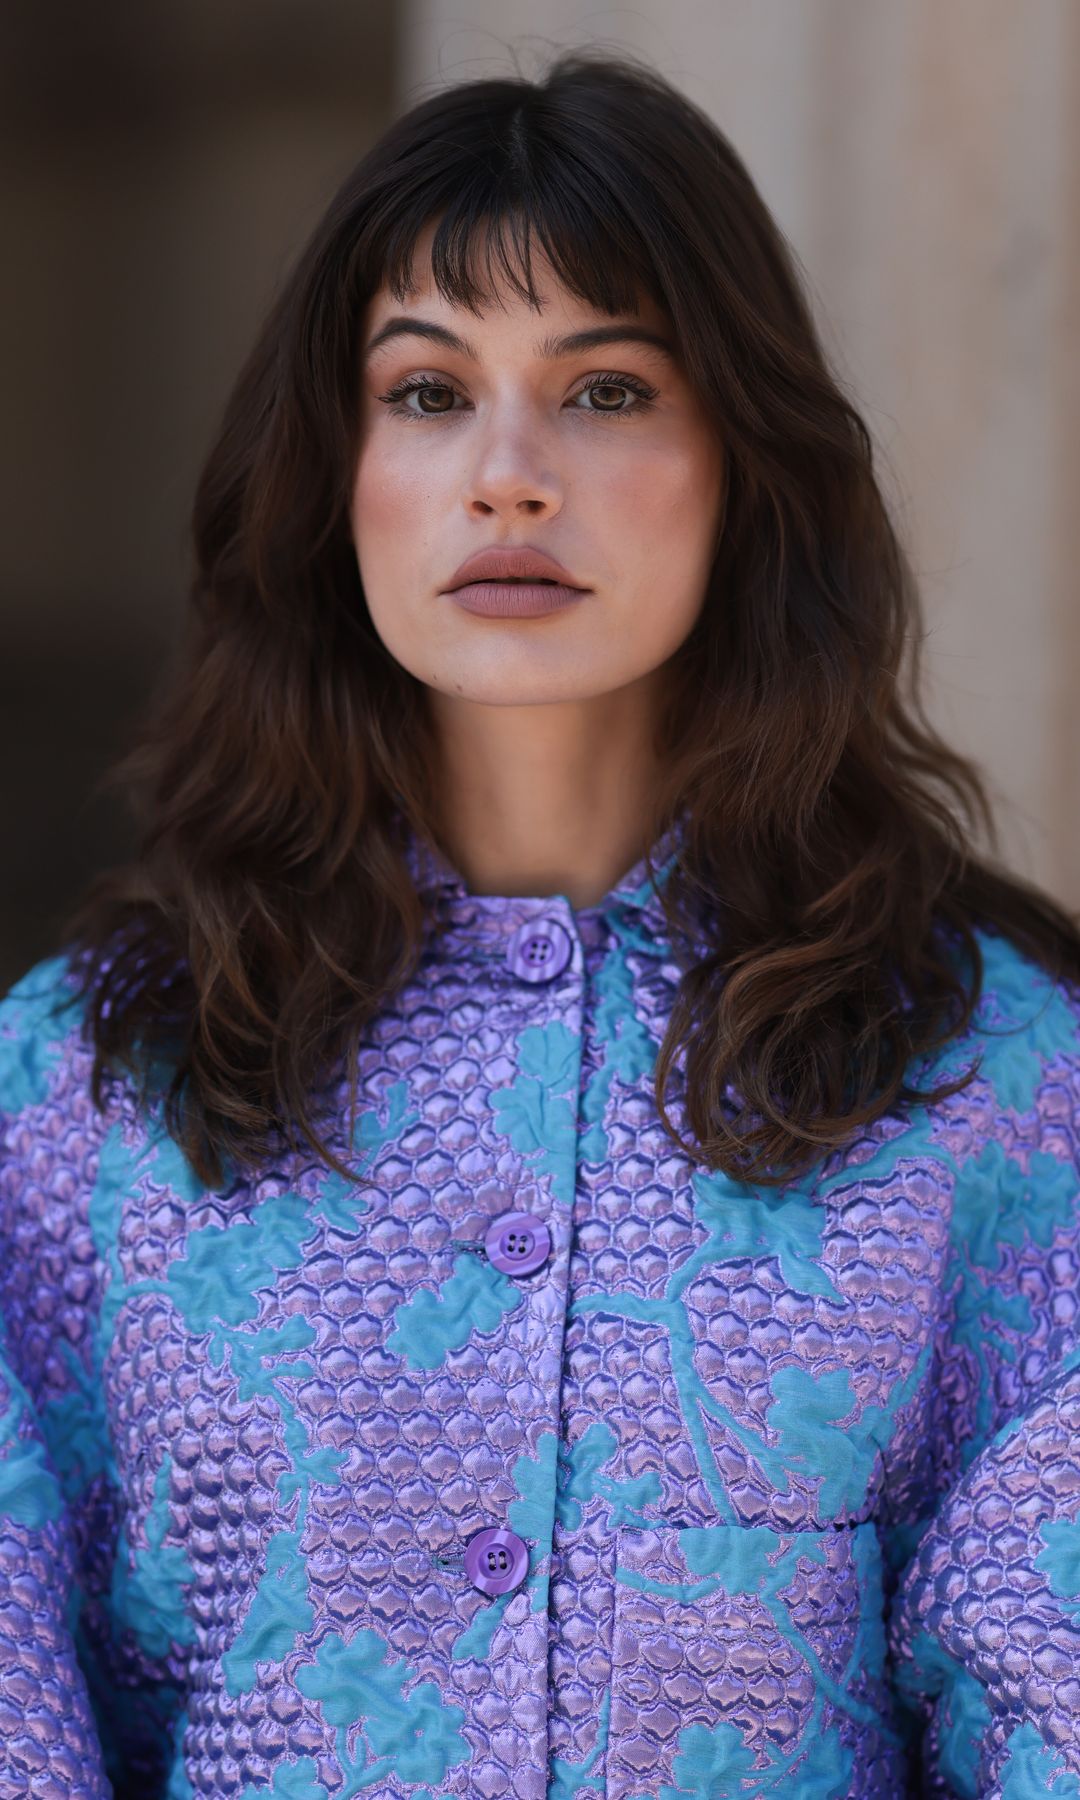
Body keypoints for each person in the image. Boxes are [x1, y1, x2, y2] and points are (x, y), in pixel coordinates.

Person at [1, 45, 1078, 1800]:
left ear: (743, 462)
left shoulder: (983, 1072)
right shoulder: (90, 1086)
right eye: (427, 393)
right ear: (332, 468)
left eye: (605, 389)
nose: (508, 472)